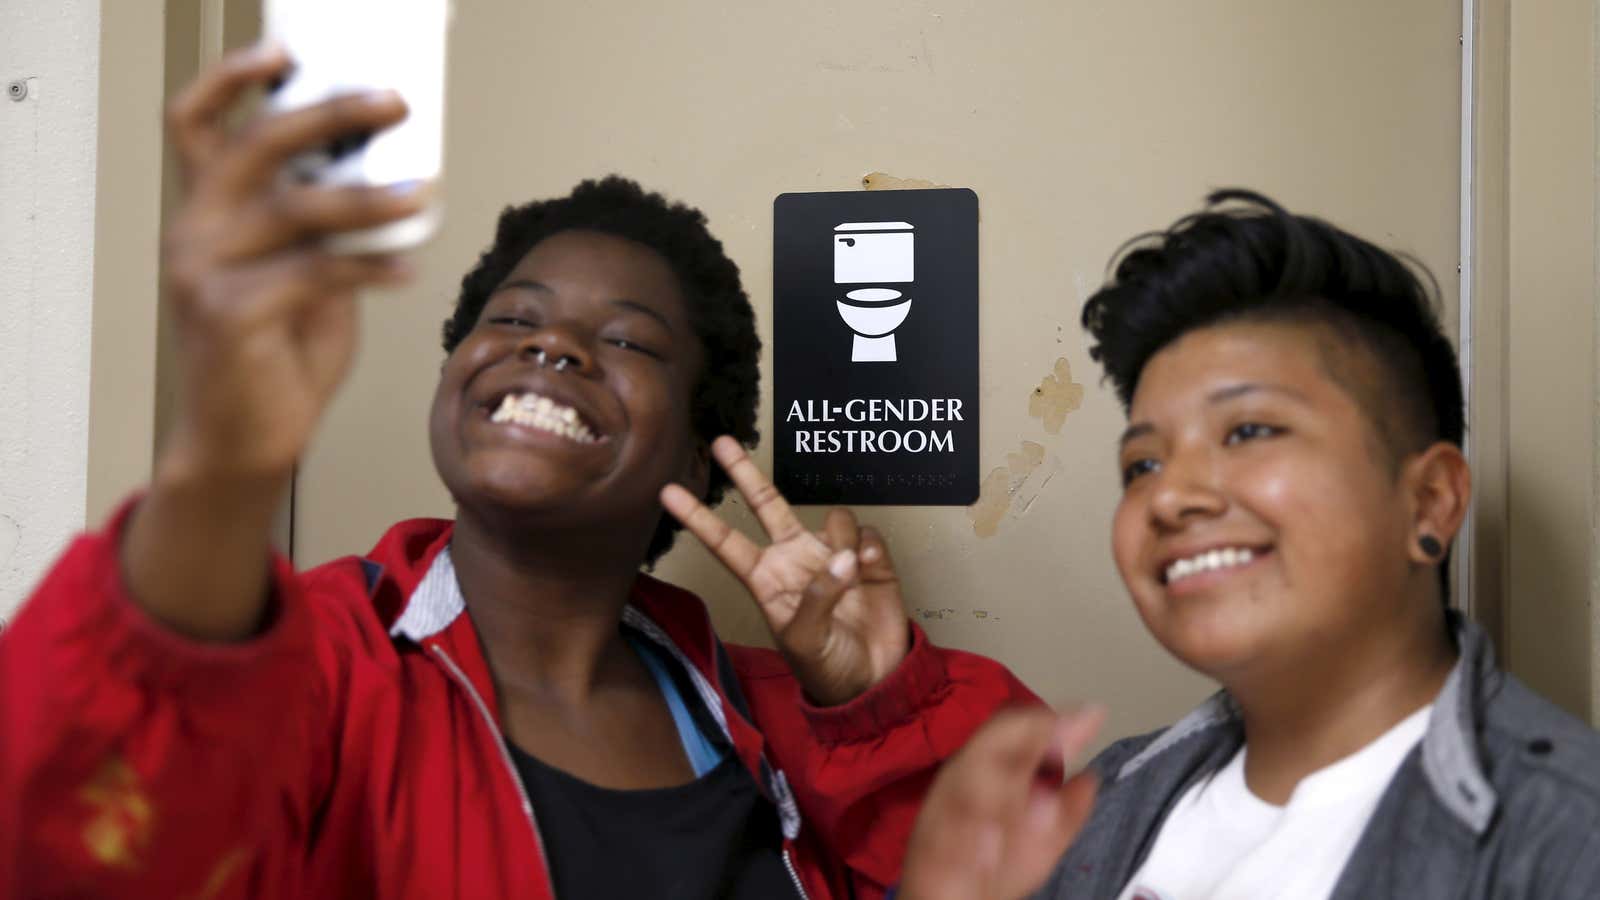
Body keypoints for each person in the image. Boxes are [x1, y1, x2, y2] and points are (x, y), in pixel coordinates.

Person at [0, 45, 1034, 899]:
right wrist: (221, 462)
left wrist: (873, 708)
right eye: (513, 318)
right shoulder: (322, 666)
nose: (555, 349)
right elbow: (78, 832)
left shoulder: (760, 714)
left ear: (693, 442)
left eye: (627, 340)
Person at [896, 190, 1600, 900]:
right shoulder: (1097, 805)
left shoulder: (1567, 839)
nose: (1170, 496)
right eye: (1142, 465)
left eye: (1250, 432)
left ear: (1430, 501)